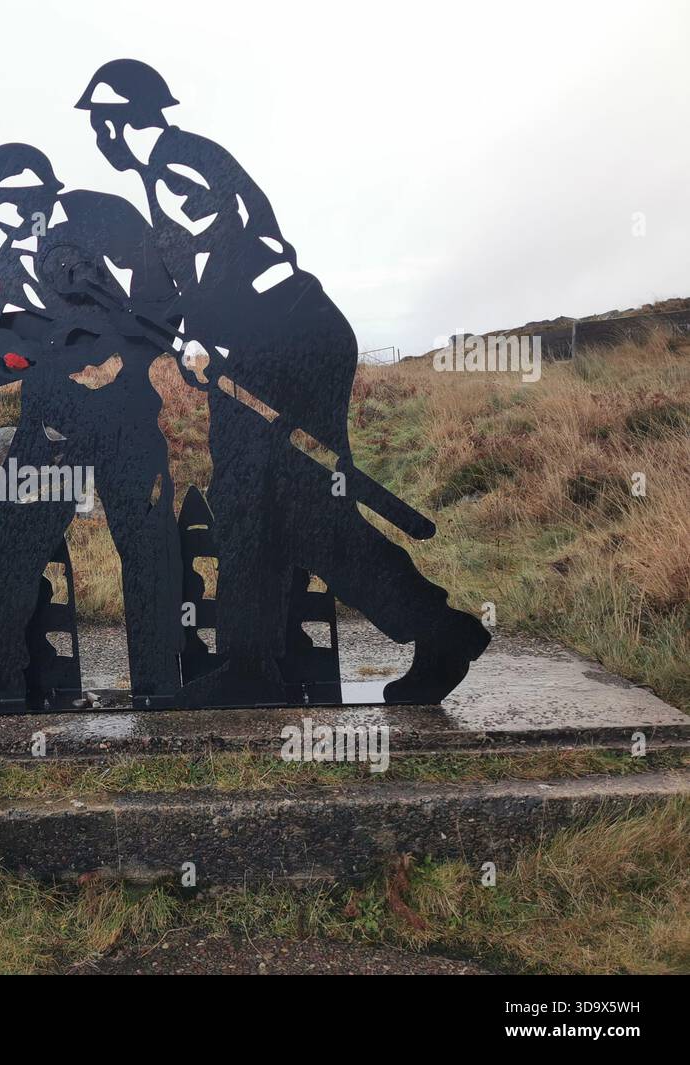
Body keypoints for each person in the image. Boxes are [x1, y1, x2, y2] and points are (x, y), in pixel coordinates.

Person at [76, 61, 489, 704]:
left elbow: (253, 246)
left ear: (121, 119)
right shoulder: (164, 182)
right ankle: (253, 666)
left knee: (298, 501)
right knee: (251, 505)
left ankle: (438, 630)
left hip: (288, 338)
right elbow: (165, 298)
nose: (98, 136)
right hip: (261, 344)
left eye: (99, 121)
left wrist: (222, 335)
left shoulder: (181, 164)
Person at [0, 143, 183, 708]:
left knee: (144, 542)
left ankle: (162, 680)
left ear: (25, 196)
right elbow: (19, 336)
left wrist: (112, 332)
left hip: (121, 409)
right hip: (51, 421)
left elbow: (158, 294)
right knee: (10, 535)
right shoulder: (9, 254)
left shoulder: (96, 218)